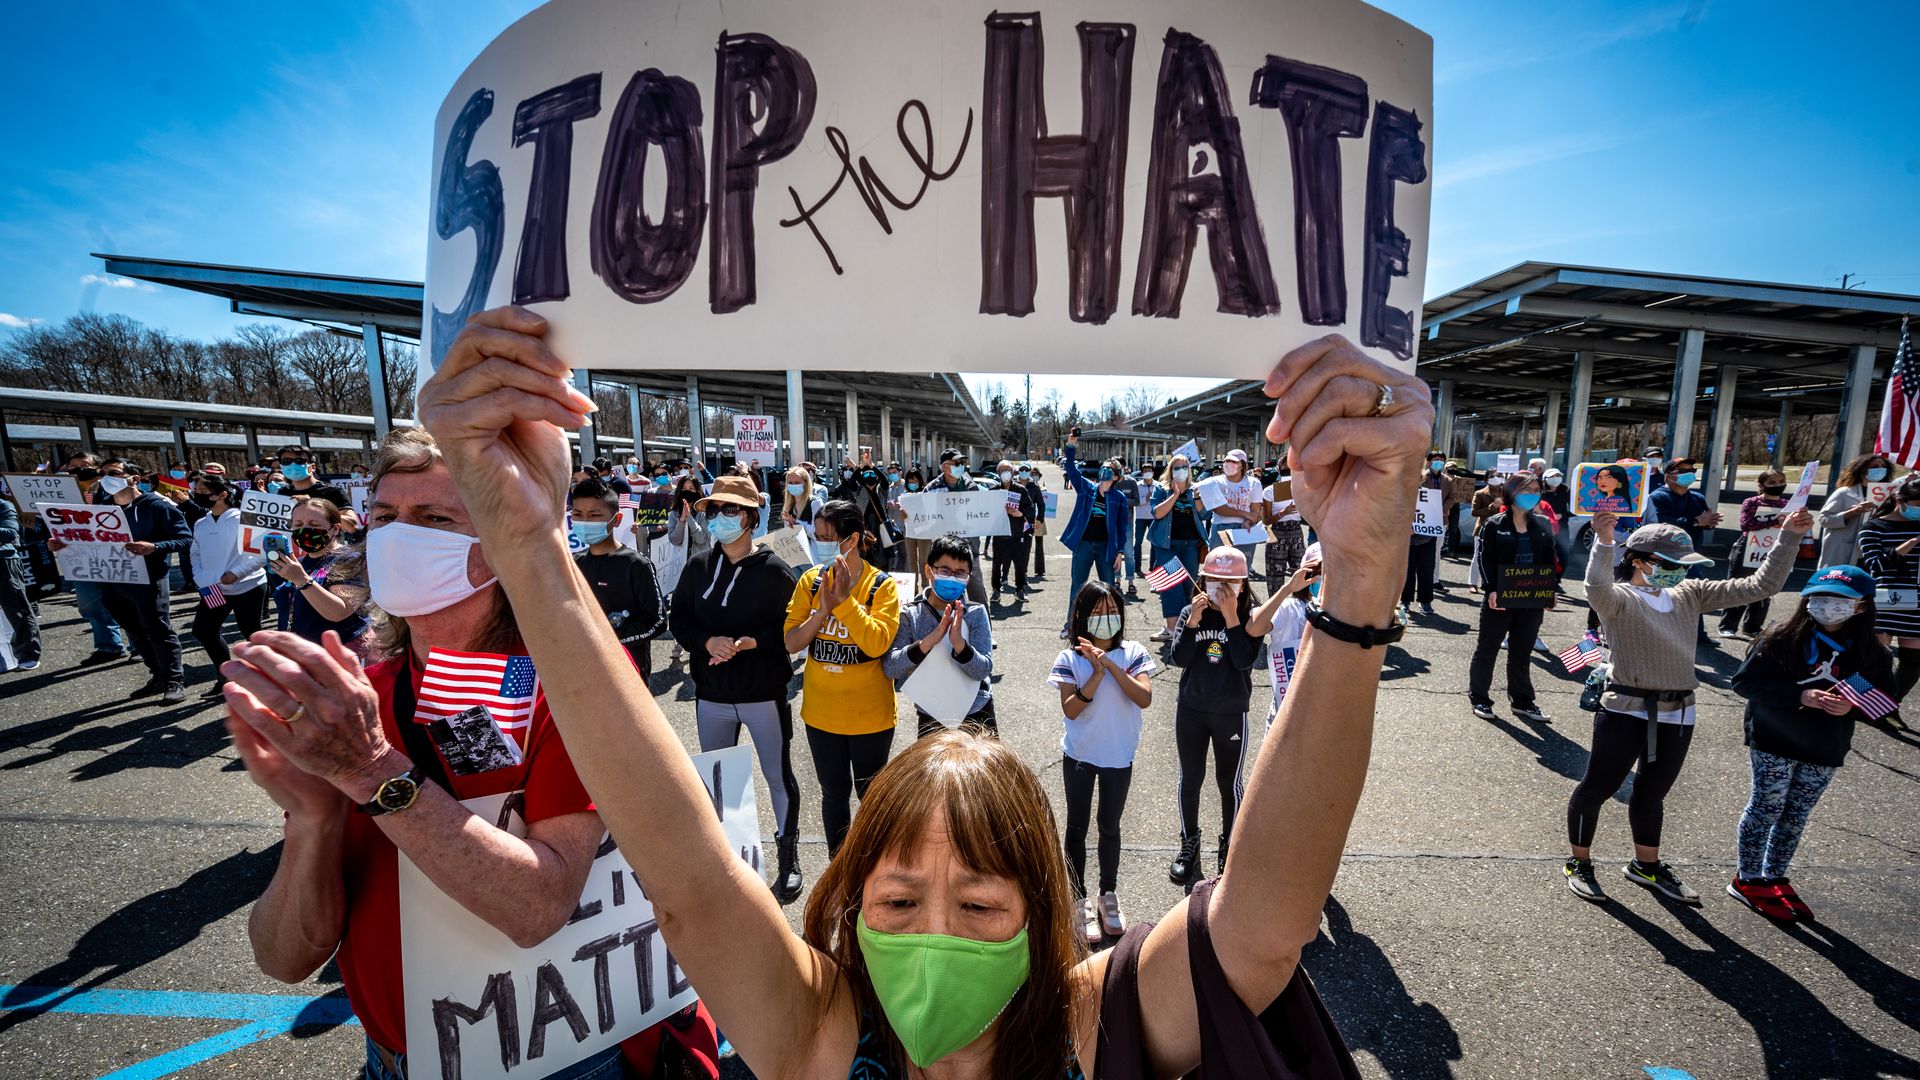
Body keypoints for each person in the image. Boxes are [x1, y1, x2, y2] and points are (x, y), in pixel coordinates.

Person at [419, 307, 1430, 1080]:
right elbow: (680, 871)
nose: (934, 937)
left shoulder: (1096, 1026)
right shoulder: (819, 1028)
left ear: (1046, 915)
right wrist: (524, 544)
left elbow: (1263, 916)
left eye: (982, 905)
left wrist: (1362, 580)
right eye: (898, 901)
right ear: (849, 908)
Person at [224, 427, 710, 1079]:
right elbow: (285, 957)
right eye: (386, 516)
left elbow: (537, 906)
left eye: (433, 518)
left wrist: (371, 772)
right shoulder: (362, 700)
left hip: (558, 1059)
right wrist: (313, 819)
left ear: (499, 542)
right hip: (394, 1061)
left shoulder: (567, 682)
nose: (398, 536)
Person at [1565, 508, 1812, 905]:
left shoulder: (1690, 593)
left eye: (1685, 564)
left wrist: (1788, 538)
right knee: (1599, 786)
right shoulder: (1620, 599)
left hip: (1679, 710)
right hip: (1625, 706)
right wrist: (1605, 541)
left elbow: (1761, 586)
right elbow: (1595, 587)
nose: (1680, 571)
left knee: (1652, 793)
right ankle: (1580, 862)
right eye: (1672, 564)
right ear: (1641, 561)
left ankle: (1645, 865)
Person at [1726, 564, 1893, 921]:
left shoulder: (1868, 652)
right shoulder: (1780, 638)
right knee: (1766, 807)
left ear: (1861, 606)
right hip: (1774, 737)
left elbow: (1883, 701)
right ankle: (1747, 877)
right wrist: (1799, 697)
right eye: (1819, 597)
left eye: (1839, 600)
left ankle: (1774, 875)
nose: (1826, 605)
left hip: (1824, 745)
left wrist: (1851, 706)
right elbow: (1744, 684)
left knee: (1796, 814)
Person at [673, 474, 807, 904]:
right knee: (716, 781)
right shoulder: (697, 567)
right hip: (711, 694)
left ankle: (788, 857)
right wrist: (704, 642)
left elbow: (790, 629)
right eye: (714, 510)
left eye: (731, 510)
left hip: (762, 694)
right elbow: (679, 620)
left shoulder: (775, 570)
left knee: (776, 776)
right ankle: (728, 860)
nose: (720, 518)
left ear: (751, 517)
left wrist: (753, 642)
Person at [784, 499, 902, 856]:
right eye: (816, 535)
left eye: (826, 537)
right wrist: (822, 610)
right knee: (833, 794)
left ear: (851, 540)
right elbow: (791, 642)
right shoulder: (810, 580)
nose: (819, 542)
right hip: (822, 717)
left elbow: (877, 643)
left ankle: (871, 863)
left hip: (870, 718)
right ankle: (839, 862)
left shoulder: (881, 585)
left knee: (872, 797)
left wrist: (845, 602)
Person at [1048, 580, 1154, 946]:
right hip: (1079, 755)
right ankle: (1078, 900)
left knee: (1109, 825)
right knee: (1076, 828)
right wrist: (1094, 674)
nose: (1105, 619)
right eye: (1096, 613)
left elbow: (1144, 697)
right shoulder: (1069, 659)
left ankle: (1108, 894)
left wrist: (1108, 664)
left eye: (1111, 612)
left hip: (1118, 757)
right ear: (1080, 618)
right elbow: (1071, 710)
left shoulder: (1134, 652)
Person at [48, 462, 192, 702]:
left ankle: (174, 680)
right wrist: (62, 544)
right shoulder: (101, 510)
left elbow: (185, 538)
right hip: (112, 579)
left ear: (134, 478)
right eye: (102, 474)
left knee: (157, 629)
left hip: (149, 579)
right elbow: (88, 541)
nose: (106, 478)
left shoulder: (156, 506)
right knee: (134, 631)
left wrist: (155, 547)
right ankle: (157, 675)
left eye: (113, 474)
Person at [1167, 546, 1262, 890]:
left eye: (1229, 581)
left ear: (1242, 583)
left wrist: (1233, 616)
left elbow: (1243, 660)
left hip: (1231, 713)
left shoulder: (1250, 614)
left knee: (1229, 784)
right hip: (1191, 710)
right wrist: (1191, 622)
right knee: (1189, 779)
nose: (1220, 588)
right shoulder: (1192, 611)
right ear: (1203, 579)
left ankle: (1230, 848)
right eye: (1213, 580)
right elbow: (1178, 658)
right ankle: (1188, 843)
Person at [1468, 474, 1557, 723]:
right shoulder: (1494, 524)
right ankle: (1480, 698)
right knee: (1487, 650)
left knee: (1522, 651)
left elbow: (1549, 560)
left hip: (1531, 600)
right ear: (1512, 491)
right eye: (1526, 489)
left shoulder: (1542, 524)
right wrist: (1492, 589)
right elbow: (1485, 559)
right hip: (1500, 600)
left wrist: (1550, 591)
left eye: (1536, 489)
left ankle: (1522, 702)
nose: (1532, 493)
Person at [885, 535, 995, 736]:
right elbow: (891, 667)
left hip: (976, 712)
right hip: (932, 714)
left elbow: (983, 670)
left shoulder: (975, 612)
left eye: (960, 573)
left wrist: (960, 645)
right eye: (945, 571)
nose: (952, 578)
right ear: (928, 570)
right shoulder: (911, 614)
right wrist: (927, 643)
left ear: (969, 576)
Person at [570, 478, 666, 678]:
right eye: (578, 515)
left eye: (594, 515)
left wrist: (610, 639)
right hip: (584, 672)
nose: (585, 522)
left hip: (628, 673)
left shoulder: (636, 565)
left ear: (617, 519)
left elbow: (657, 621)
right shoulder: (573, 564)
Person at [187, 474, 269, 697]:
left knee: (252, 633)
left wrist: (237, 573)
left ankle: (268, 677)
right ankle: (226, 678)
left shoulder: (244, 518)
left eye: (203, 492)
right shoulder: (201, 523)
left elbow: (263, 553)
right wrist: (201, 576)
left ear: (222, 494)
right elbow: (195, 553)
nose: (196, 495)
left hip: (248, 587)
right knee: (204, 630)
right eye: (196, 490)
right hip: (212, 587)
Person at [267, 497, 369, 652]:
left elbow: (339, 612)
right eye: (298, 525)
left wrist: (301, 580)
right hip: (302, 652)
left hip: (338, 653)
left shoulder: (349, 560)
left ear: (335, 529)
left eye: (314, 525)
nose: (305, 531)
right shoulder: (299, 562)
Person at [1855, 474, 1920, 712]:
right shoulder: (1874, 527)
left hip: (1918, 600)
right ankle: (1860, 702)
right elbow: (1875, 564)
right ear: (1899, 500)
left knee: (1914, 660)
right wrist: (1911, 542)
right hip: (1887, 597)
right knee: (1873, 657)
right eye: (1918, 506)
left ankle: (1888, 705)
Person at [1058, 432, 1130, 640]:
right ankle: (1071, 625)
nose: (1104, 470)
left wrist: (1119, 552)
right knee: (1077, 586)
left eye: (1110, 469)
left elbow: (1122, 527)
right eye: (1104, 467)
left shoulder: (1119, 498)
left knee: (1108, 587)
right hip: (1084, 545)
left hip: (1106, 548)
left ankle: (1113, 627)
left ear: (1116, 477)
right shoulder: (1086, 488)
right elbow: (1071, 469)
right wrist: (1071, 447)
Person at [60, 454, 130, 665]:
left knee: (126, 602)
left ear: (98, 469)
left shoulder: (113, 489)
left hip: (114, 553)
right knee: (89, 603)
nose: (78, 470)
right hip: (80, 554)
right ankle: (108, 645)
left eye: (84, 466)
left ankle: (140, 645)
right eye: (73, 466)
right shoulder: (61, 491)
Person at [1717, 468, 1791, 639]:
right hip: (1748, 547)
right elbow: (1746, 525)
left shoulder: (1787, 505)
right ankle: (1728, 625)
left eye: (1781, 481)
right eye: (1772, 483)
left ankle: (1753, 626)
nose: (1777, 485)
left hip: (1772, 549)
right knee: (1739, 585)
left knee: (1765, 587)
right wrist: (1774, 521)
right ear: (1761, 485)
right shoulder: (1751, 502)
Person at [1147, 451, 1210, 643]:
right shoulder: (1162, 489)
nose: (1181, 470)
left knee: (1188, 585)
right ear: (1171, 470)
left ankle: (1185, 626)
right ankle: (1171, 628)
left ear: (1189, 470)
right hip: (1167, 545)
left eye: (1184, 467)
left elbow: (1205, 515)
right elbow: (1157, 513)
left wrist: (1198, 499)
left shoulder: (1195, 490)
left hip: (1190, 545)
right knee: (1170, 585)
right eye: (1177, 467)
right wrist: (1174, 495)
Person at [1819, 453, 1893, 567]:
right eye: (1874, 466)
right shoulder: (1844, 492)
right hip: (1844, 551)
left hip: (1872, 550)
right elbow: (1824, 520)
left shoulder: (1889, 494)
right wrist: (1852, 512)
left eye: (1883, 466)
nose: (1880, 469)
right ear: (1862, 470)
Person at [1206, 449, 1267, 582]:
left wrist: (1249, 521)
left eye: (1233, 461)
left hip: (1244, 531)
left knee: (1241, 571)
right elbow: (1218, 509)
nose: (1228, 464)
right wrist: (1245, 514)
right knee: (1218, 570)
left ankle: (1239, 601)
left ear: (1242, 465)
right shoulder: (1215, 481)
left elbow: (1255, 511)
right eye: (1226, 461)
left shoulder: (1254, 483)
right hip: (1220, 528)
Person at [0, 495, 41, 670]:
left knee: (16, 608)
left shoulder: (4, 505)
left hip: (3, 560)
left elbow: (11, 533)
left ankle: (28, 653)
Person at [1405, 453, 1445, 618]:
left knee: (1426, 571)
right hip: (1406, 541)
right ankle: (1405, 601)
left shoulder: (1429, 494)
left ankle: (1425, 602)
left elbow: (1434, 516)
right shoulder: (1399, 495)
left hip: (1426, 539)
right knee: (1406, 572)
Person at [991, 459, 1037, 600]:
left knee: (1019, 563)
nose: (1005, 473)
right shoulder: (993, 491)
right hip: (999, 534)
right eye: (1002, 471)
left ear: (1012, 472)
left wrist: (1020, 513)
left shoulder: (1020, 490)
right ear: (998, 473)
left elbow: (1030, 507)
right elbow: (986, 510)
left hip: (1016, 533)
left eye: (1008, 470)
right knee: (997, 563)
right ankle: (996, 590)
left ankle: (1020, 590)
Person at [283, 456, 350, 507]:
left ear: (312, 467)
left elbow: (350, 522)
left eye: (299, 462)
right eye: (286, 461)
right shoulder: (283, 492)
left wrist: (313, 504)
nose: (294, 468)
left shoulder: (333, 491)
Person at [1022, 463, 1049, 581]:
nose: (1034, 476)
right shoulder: (1019, 485)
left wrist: (1040, 519)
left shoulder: (1040, 487)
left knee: (1039, 545)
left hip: (1038, 519)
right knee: (1024, 546)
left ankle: (1040, 569)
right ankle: (1022, 571)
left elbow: (1043, 504)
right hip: (1025, 519)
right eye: (1032, 473)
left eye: (1036, 474)